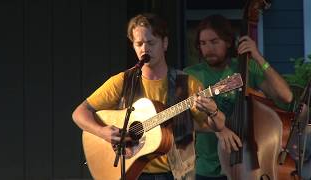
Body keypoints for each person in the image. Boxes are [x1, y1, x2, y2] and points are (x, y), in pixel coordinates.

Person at [72, 13, 226, 180]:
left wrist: (214, 111)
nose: (144, 49)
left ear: (165, 43)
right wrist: (102, 132)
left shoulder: (187, 83)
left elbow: (215, 126)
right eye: (139, 44)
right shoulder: (123, 81)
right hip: (132, 172)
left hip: (176, 174)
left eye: (151, 43)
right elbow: (79, 113)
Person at [184, 14, 293, 180]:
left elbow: (286, 96)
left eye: (214, 42)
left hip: (247, 164)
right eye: (203, 43)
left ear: (228, 42)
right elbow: (184, 121)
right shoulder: (191, 74)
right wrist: (221, 129)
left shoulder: (245, 68)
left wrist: (257, 56)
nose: (208, 48)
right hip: (205, 169)